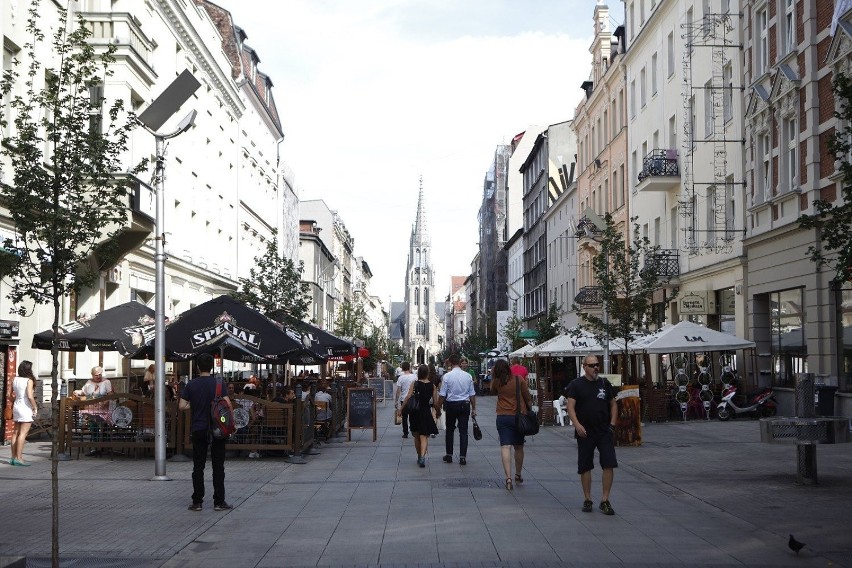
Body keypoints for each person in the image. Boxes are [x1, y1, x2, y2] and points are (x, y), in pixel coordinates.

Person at [179, 353, 233, 512]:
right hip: (217, 429)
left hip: (199, 428)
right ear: (212, 367)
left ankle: (197, 501)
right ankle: (219, 501)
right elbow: (227, 404)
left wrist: (194, 406)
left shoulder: (191, 384)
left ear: (197, 367)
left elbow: (182, 406)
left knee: (198, 466)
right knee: (218, 466)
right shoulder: (219, 383)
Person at [566, 354, 618, 516]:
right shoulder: (576, 385)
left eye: (597, 364)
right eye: (592, 365)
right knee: (585, 465)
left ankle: (605, 500)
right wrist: (577, 425)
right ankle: (587, 499)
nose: (596, 367)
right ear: (584, 367)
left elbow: (613, 404)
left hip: (604, 431)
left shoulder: (604, 383)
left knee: (609, 463)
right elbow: (570, 407)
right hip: (585, 432)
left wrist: (612, 425)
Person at [490, 358, 532, 490]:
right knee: (519, 447)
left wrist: (493, 374)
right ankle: (518, 474)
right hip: (518, 417)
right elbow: (527, 397)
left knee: (505, 447)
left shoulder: (497, 382)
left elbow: (492, 390)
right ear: (508, 367)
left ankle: (508, 478)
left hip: (502, 417)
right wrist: (529, 410)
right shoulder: (519, 380)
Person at [437, 353, 476, 465]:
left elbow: (442, 394)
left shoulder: (447, 376)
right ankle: (462, 457)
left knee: (450, 430)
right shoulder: (467, 376)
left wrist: (438, 408)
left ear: (450, 363)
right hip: (464, 405)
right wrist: (474, 409)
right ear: (459, 363)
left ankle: (449, 455)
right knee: (463, 431)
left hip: (451, 405)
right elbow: (472, 394)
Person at [401, 364, 440, 467]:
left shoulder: (415, 384)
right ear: (427, 373)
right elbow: (435, 403)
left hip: (415, 412)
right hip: (426, 411)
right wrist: (438, 412)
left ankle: (419, 456)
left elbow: (408, 397)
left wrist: (401, 409)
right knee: (424, 437)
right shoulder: (433, 386)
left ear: (418, 373)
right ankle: (422, 457)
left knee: (416, 436)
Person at [9, 360, 38, 466]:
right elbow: (30, 396)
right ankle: (19, 458)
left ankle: (13, 457)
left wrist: (15, 401)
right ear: (28, 369)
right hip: (25, 407)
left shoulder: (14, 379)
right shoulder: (28, 380)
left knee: (15, 433)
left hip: (17, 406)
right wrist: (35, 407)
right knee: (23, 433)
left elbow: (8, 395)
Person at [393, 362, 416, 439]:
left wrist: (396, 401)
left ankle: (405, 433)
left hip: (403, 399)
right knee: (413, 416)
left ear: (402, 368)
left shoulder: (400, 378)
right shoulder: (414, 377)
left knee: (404, 417)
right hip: (413, 399)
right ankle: (413, 430)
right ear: (409, 367)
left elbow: (398, 391)